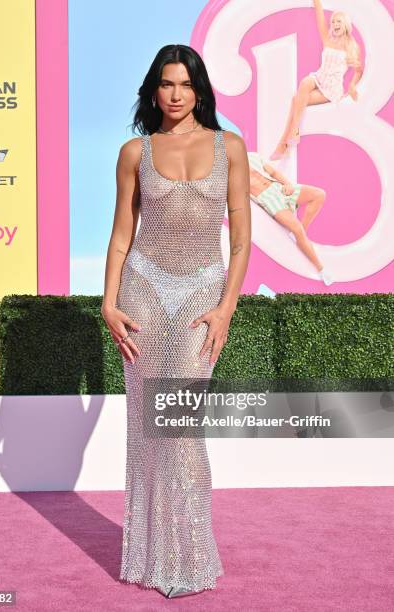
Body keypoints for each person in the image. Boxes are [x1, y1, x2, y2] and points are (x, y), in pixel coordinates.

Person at [101, 44, 250, 598]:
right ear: (154, 90)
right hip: (142, 294)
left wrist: (226, 308)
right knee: (148, 432)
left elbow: (241, 240)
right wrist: (108, 303)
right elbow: (121, 237)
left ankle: (190, 555)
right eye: (166, 84)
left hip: (200, 299)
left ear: (201, 90)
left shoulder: (229, 147)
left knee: (180, 427)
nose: (176, 94)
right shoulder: (133, 153)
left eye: (185, 85)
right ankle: (150, 555)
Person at [270, 0, 363, 160]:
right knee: (305, 82)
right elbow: (319, 12)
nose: (334, 24)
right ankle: (294, 131)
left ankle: (283, 144)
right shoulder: (328, 39)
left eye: (338, 21)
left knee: (295, 100)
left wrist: (352, 85)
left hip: (331, 89)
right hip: (319, 77)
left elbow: (358, 69)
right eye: (333, 21)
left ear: (346, 24)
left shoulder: (351, 46)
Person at [248, 151, 333, 285]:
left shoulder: (252, 156)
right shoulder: (228, 173)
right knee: (297, 229)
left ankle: (301, 234)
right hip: (268, 199)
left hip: (279, 188)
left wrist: (287, 184)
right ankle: (321, 268)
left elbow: (274, 173)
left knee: (319, 194)